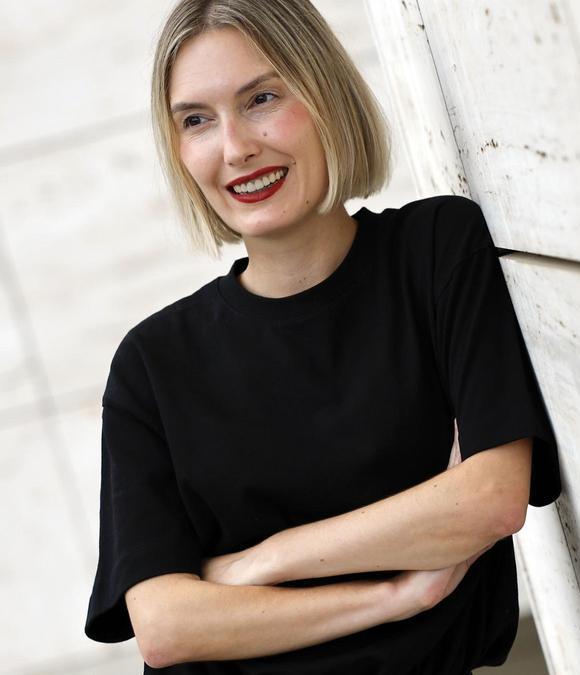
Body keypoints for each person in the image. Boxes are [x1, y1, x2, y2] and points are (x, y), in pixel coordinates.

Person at [84, 1, 561, 673]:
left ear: (325, 91)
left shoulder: (434, 251)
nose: (235, 148)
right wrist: (396, 595)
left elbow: (490, 497)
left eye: (261, 98)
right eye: (196, 120)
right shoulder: (152, 364)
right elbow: (165, 626)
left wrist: (264, 560)